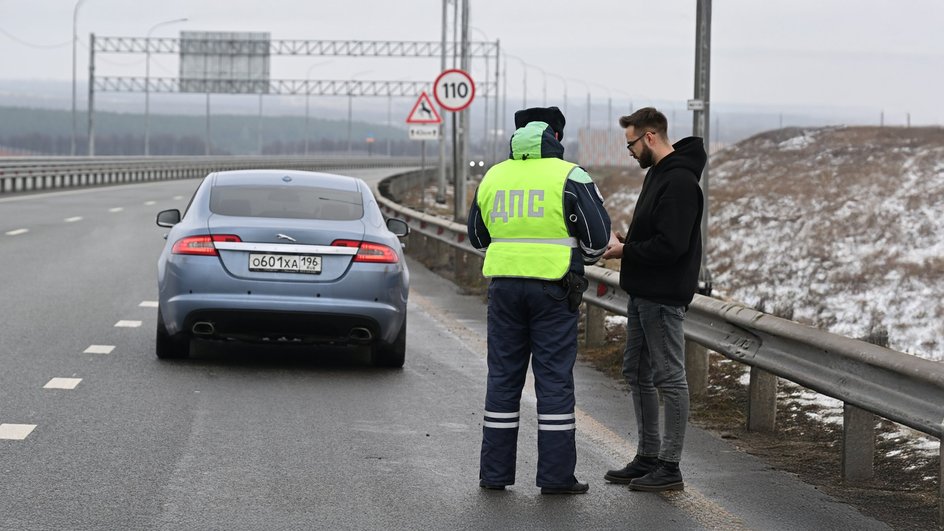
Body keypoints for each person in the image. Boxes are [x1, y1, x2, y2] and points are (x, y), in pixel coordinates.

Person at [467, 106, 611, 494]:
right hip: (554, 289)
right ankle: (555, 477)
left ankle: (494, 475)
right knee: (553, 382)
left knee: (502, 378)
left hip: (504, 289)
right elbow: (597, 241)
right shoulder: (571, 176)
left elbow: (478, 238)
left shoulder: (493, 176)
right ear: (557, 138)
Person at [601, 107, 706, 492]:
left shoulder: (678, 181)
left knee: (669, 379)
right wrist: (625, 244)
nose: (628, 151)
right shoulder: (659, 175)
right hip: (644, 292)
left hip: (662, 297)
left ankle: (669, 466)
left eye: (630, 142)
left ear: (649, 137)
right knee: (637, 372)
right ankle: (647, 457)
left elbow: (671, 246)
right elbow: (656, 236)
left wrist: (624, 252)